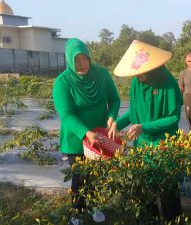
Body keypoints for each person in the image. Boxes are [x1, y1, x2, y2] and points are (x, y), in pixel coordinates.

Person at [108, 40, 183, 222]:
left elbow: (173, 117)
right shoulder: (136, 83)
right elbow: (134, 113)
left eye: (141, 73)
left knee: (167, 190)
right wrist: (117, 123)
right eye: (136, 73)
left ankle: (172, 220)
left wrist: (144, 127)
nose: (138, 76)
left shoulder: (168, 82)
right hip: (142, 144)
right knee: (145, 189)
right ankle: (150, 220)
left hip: (163, 144)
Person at [52, 38, 121, 216]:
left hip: (98, 136)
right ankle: (77, 212)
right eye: (76, 60)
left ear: (89, 58)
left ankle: (93, 207)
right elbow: (66, 114)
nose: (81, 64)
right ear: (69, 60)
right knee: (80, 176)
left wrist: (112, 116)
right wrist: (85, 132)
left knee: (96, 174)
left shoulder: (102, 74)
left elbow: (114, 100)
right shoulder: (63, 82)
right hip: (76, 138)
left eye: (84, 58)